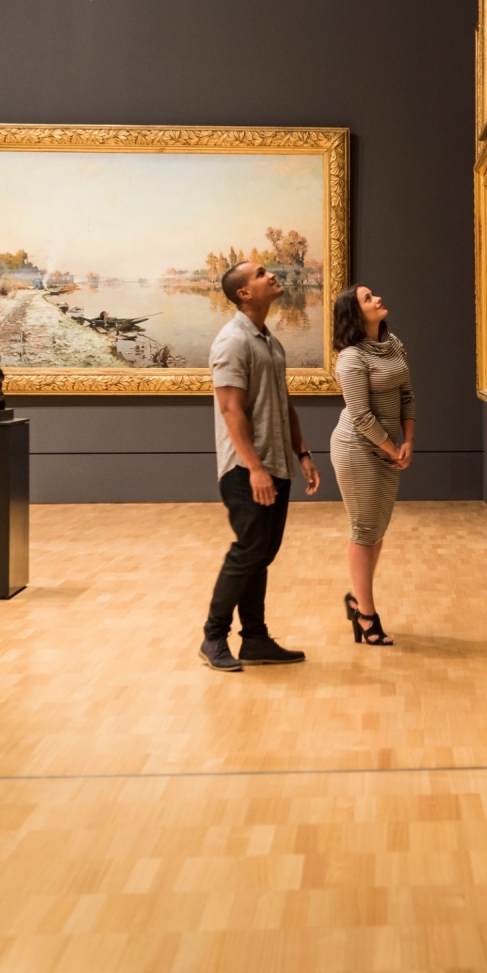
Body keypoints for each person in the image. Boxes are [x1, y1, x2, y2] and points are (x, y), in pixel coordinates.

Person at [203, 259, 320, 671]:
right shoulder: (232, 341)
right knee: (248, 551)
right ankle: (213, 637)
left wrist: (301, 452)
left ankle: (254, 638)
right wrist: (254, 469)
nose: (272, 275)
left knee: (261, 554)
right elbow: (231, 410)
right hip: (245, 469)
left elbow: (283, 402)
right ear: (244, 293)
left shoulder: (269, 340)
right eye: (260, 274)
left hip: (275, 464)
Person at [329, 285, 415, 646]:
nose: (378, 298)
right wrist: (392, 448)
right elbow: (361, 416)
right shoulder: (350, 358)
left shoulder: (392, 343)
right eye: (367, 298)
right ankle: (366, 615)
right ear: (355, 314)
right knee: (364, 529)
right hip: (356, 450)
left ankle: (357, 599)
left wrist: (408, 440)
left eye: (374, 294)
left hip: (387, 449)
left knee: (376, 531)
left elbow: (407, 394)